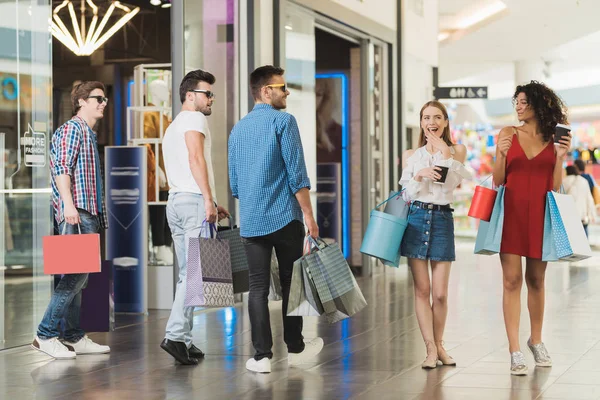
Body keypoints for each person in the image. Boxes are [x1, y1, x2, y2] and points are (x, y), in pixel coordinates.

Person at [228, 65, 324, 374]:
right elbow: (297, 175)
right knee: (290, 283)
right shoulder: (284, 121)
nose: (286, 92)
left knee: (256, 287)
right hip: (284, 217)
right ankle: (295, 348)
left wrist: (254, 200)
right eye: (282, 87)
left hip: (252, 220)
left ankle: (261, 357)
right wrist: (309, 216)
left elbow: (235, 183)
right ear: (266, 91)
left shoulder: (238, 128)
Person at [493, 80, 571, 375]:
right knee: (511, 281)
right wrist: (499, 155)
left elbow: (554, 186)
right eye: (517, 102)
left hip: (540, 216)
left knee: (536, 281)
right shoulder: (508, 134)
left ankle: (535, 340)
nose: (518, 106)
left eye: (524, 101)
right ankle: (514, 350)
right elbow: (498, 180)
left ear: (539, 104)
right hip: (511, 215)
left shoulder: (555, 140)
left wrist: (560, 158)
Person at [32, 81, 111, 359]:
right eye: (97, 98)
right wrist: (67, 204)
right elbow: (61, 168)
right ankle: (45, 334)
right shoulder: (71, 129)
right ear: (81, 101)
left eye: (104, 98)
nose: (103, 102)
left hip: (87, 213)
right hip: (75, 213)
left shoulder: (87, 132)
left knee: (81, 277)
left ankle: (74, 335)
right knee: (75, 275)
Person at [160, 70, 229, 365]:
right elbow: (195, 158)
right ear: (190, 96)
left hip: (176, 201)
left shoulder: (173, 124)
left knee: (188, 273)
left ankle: (184, 340)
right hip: (191, 203)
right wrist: (207, 199)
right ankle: (175, 336)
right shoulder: (193, 119)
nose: (211, 98)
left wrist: (211, 199)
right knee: (195, 275)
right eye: (207, 93)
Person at [399, 100, 470, 369]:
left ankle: (440, 345)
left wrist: (446, 156)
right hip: (416, 219)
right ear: (421, 122)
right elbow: (404, 196)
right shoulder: (411, 156)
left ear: (445, 122)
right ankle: (430, 349)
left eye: (438, 117)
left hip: (442, 219)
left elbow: (456, 183)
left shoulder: (456, 150)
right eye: (427, 117)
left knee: (440, 294)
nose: (432, 122)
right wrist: (418, 175)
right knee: (422, 289)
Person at [564, 165, 595, 237]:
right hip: (582, 215)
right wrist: (590, 214)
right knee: (584, 237)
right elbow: (589, 198)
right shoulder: (583, 181)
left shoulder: (564, 181)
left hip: (569, 216)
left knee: (571, 237)